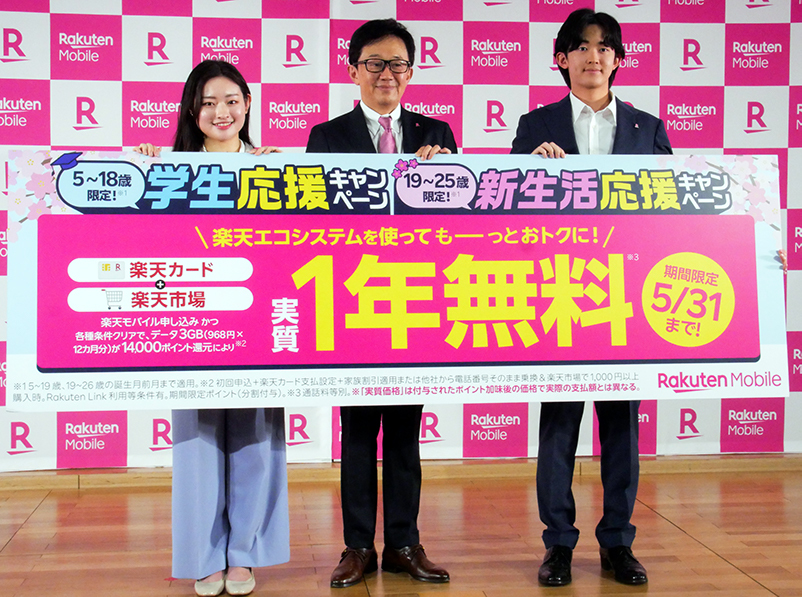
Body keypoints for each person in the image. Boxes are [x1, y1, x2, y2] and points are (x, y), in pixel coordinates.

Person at [510, 8, 672, 587]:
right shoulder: (535, 125)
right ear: (562, 59)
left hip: (629, 297)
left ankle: (618, 542)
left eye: (604, 46)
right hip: (560, 293)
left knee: (622, 427)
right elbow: (505, 213)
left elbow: (676, 215)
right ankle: (557, 544)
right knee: (558, 426)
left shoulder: (648, 127)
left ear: (619, 59)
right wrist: (530, 174)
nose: (593, 56)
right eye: (580, 46)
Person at [306, 18, 456, 589]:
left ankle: (403, 544)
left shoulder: (436, 133)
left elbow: (458, 218)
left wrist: (440, 172)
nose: (386, 73)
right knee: (356, 431)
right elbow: (313, 220)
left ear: (411, 72)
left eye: (397, 64)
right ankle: (356, 547)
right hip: (352, 299)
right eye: (374, 63)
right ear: (353, 70)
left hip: (414, 299)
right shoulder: (326, 136)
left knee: (404, 431)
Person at [135, 60, 288, 597]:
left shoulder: (277, 166)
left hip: (257, 321)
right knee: (196, 445)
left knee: (255, 439)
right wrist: (142, 170)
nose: (220, 112)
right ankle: (203, 557)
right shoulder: (167, 168)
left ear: (248, 103)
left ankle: (243, 554)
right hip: (193, 322)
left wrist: (284, 176)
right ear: (191, 112)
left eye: (231, 100)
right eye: (207, 103)